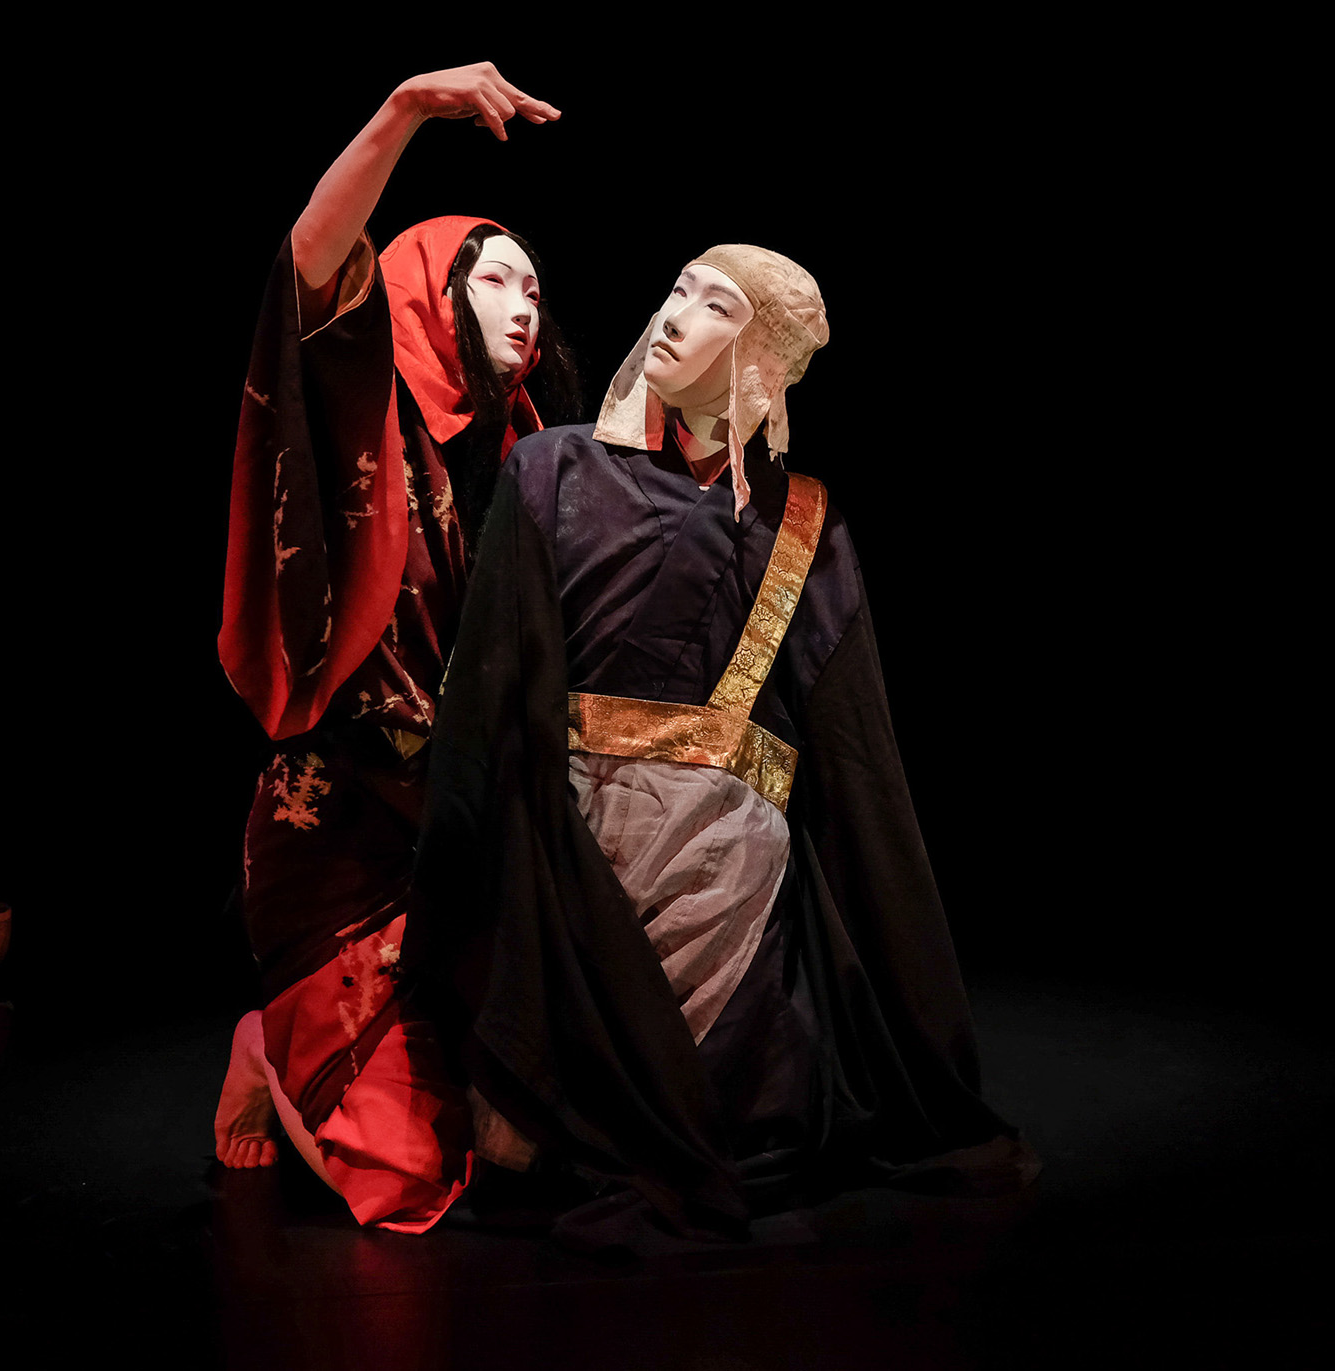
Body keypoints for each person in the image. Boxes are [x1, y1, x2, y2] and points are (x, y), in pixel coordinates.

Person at [411, 245, 1036, 1245]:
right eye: (677, 290)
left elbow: (859, 767)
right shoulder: (552, 469)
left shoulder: (805, 524)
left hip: (728, 877)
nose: (673, 317)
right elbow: (487, 691)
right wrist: (454, 893)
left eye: (716, 307)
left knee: (737, 1116)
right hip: (573, 855)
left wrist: (916, 1008)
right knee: (555, 1115)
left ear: (763, 358)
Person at [210, 64, 577, 1232]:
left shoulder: (529, 456)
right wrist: (406, 109)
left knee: (540, 1142)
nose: (524, 305)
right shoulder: (363, 401)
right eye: (494, 278)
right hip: (343, 825)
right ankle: (266, 1043)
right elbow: (310, 268)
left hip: (463, 828)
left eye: (535, 286)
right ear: (425, 290)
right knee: (406, 1180)